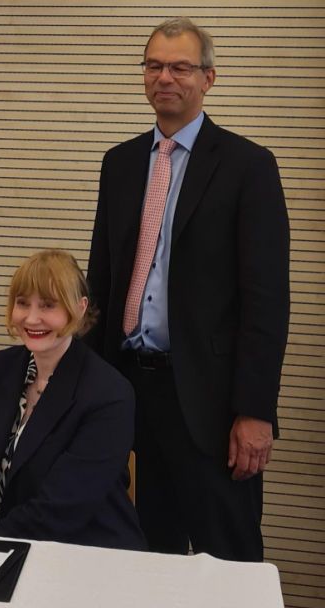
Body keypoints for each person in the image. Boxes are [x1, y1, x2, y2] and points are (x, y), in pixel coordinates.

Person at [85, 18, 289, 561]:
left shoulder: (249, 167)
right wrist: (80, 387)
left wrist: (255, 411)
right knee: (143, 551)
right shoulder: (120, 163)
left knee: (229, 556)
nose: (165, 78)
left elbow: (266, 301)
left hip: (212, 402)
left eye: (180, 67)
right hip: (128, 390)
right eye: (154, 65)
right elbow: (100, 283)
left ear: (208, 78)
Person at [0, 250, 145, 550]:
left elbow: (60, 511)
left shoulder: (109, 393)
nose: (32, 318)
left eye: (48, 305)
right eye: (23, 303)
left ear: (79, 307)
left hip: (81, 557)